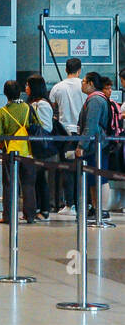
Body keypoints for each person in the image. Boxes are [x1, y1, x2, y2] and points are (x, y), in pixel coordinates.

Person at [0, 78, 38, 225]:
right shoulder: (29, 108)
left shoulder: (2, 112)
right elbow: (37, 126)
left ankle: (8, 216)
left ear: (5, 93)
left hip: (9, 151)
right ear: (20, 92)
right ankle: (30, 215)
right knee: (29, 184)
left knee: (9, 184)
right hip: (27, 151)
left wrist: (3, 142)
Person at [77, 71, 115, 219]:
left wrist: (82, 145)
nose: (82, 84)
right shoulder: (96, 99)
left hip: (97, 145)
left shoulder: (95, 100)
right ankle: (96, 207)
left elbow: (91, 125)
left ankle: (103, 209)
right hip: (96, 144)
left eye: (84, 81)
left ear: (91, 84)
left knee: (101, 178)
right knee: (94, 178)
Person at [50, 57, 86, 212]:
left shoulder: (58, 87)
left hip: (65, 134)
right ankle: (84, 202)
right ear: (80, 70)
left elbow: (53, 106)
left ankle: (69, 203)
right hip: (82, 133)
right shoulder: (85, 86)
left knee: (67, 169)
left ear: (66, 69)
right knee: (85, 169)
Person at [23, 73, 54, 221]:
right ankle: (36, 208)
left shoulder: (42, 104)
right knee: (34, 179)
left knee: (41, 179)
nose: (26, 88)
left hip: (41, 148)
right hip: (32, 147)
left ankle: (44, 209)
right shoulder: (31, 103)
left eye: (28, 85)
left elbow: (47, 127)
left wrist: (33, 125)